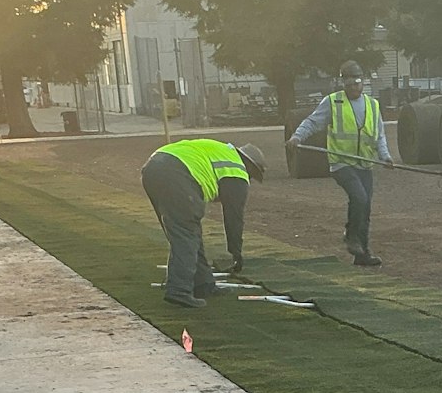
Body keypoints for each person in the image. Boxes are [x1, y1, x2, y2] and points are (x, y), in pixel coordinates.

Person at [288, 60, 393, 267]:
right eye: (349, 84)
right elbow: (312, 122)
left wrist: (385, 156)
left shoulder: (373, 105)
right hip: (341, 163)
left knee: (365, 207)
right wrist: (296, 137)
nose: (353, 87)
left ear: (363, 82)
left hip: (365, 162)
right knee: (359, 198)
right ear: (342, 83)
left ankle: (362, 252)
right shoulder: (333, 102)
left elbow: (379, 135)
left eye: (356, 83)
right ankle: (351, 237)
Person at [141, 139, 267, 308]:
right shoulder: (236, 170)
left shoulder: (222, 152)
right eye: (252, 174)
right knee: (186, 234)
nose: (249, 179)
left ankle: (203, 284)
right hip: (177, 173)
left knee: (186, 230)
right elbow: (234, 218)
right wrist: (236, 252)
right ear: (250, 165)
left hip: (153, 168)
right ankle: (179, 290)